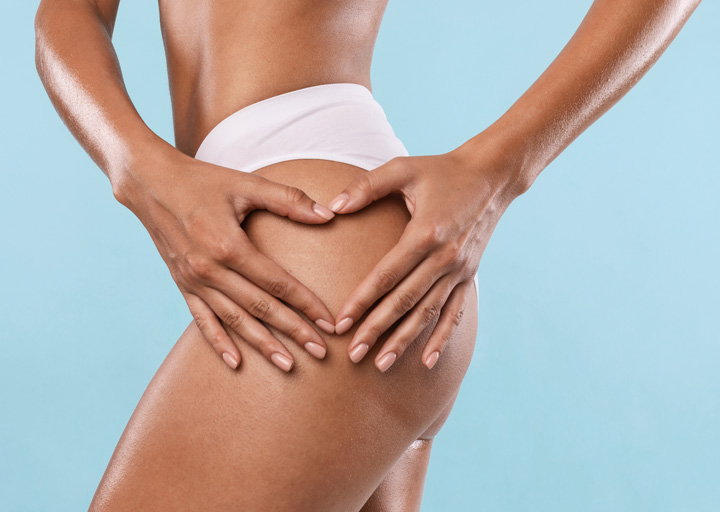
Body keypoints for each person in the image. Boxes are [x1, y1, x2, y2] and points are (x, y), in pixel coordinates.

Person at [34, 0, 702, 509]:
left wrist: (500, 169)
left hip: (331, 254)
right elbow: (71, 12)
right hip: (334, 254)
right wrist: (139, 169)